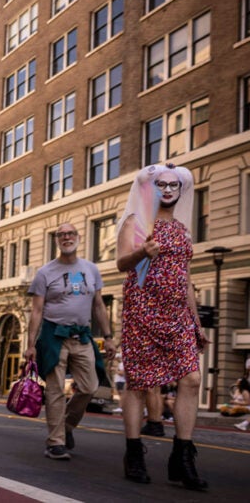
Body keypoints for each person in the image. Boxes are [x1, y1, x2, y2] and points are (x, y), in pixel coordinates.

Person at [116, 163, 208, 490]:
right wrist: (143, 251)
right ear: (150, 188)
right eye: (161, 184)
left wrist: (195, 320)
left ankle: (182, 456)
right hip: (142, 310)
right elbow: (121, 262)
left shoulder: (183, 228)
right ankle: (134, 452)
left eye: (173, 185)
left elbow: (186, 278)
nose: (167, 189)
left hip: (178, 314)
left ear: (181, 190)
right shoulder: (137, 221)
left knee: (192, 378)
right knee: (139, 383)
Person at [23, 223, 115, 460]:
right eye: (61, 234)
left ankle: (66, 427)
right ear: (56, 240)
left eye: (70, 233)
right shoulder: (45, 272)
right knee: (54, 390)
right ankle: (55, 443)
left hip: (82, 335)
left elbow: (98, 305)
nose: (66, 237)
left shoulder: (91, 269)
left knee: (90, 386)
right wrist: (31, 344)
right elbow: (36, 310)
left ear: (78, 237)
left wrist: (108, 337)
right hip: (54, 336)